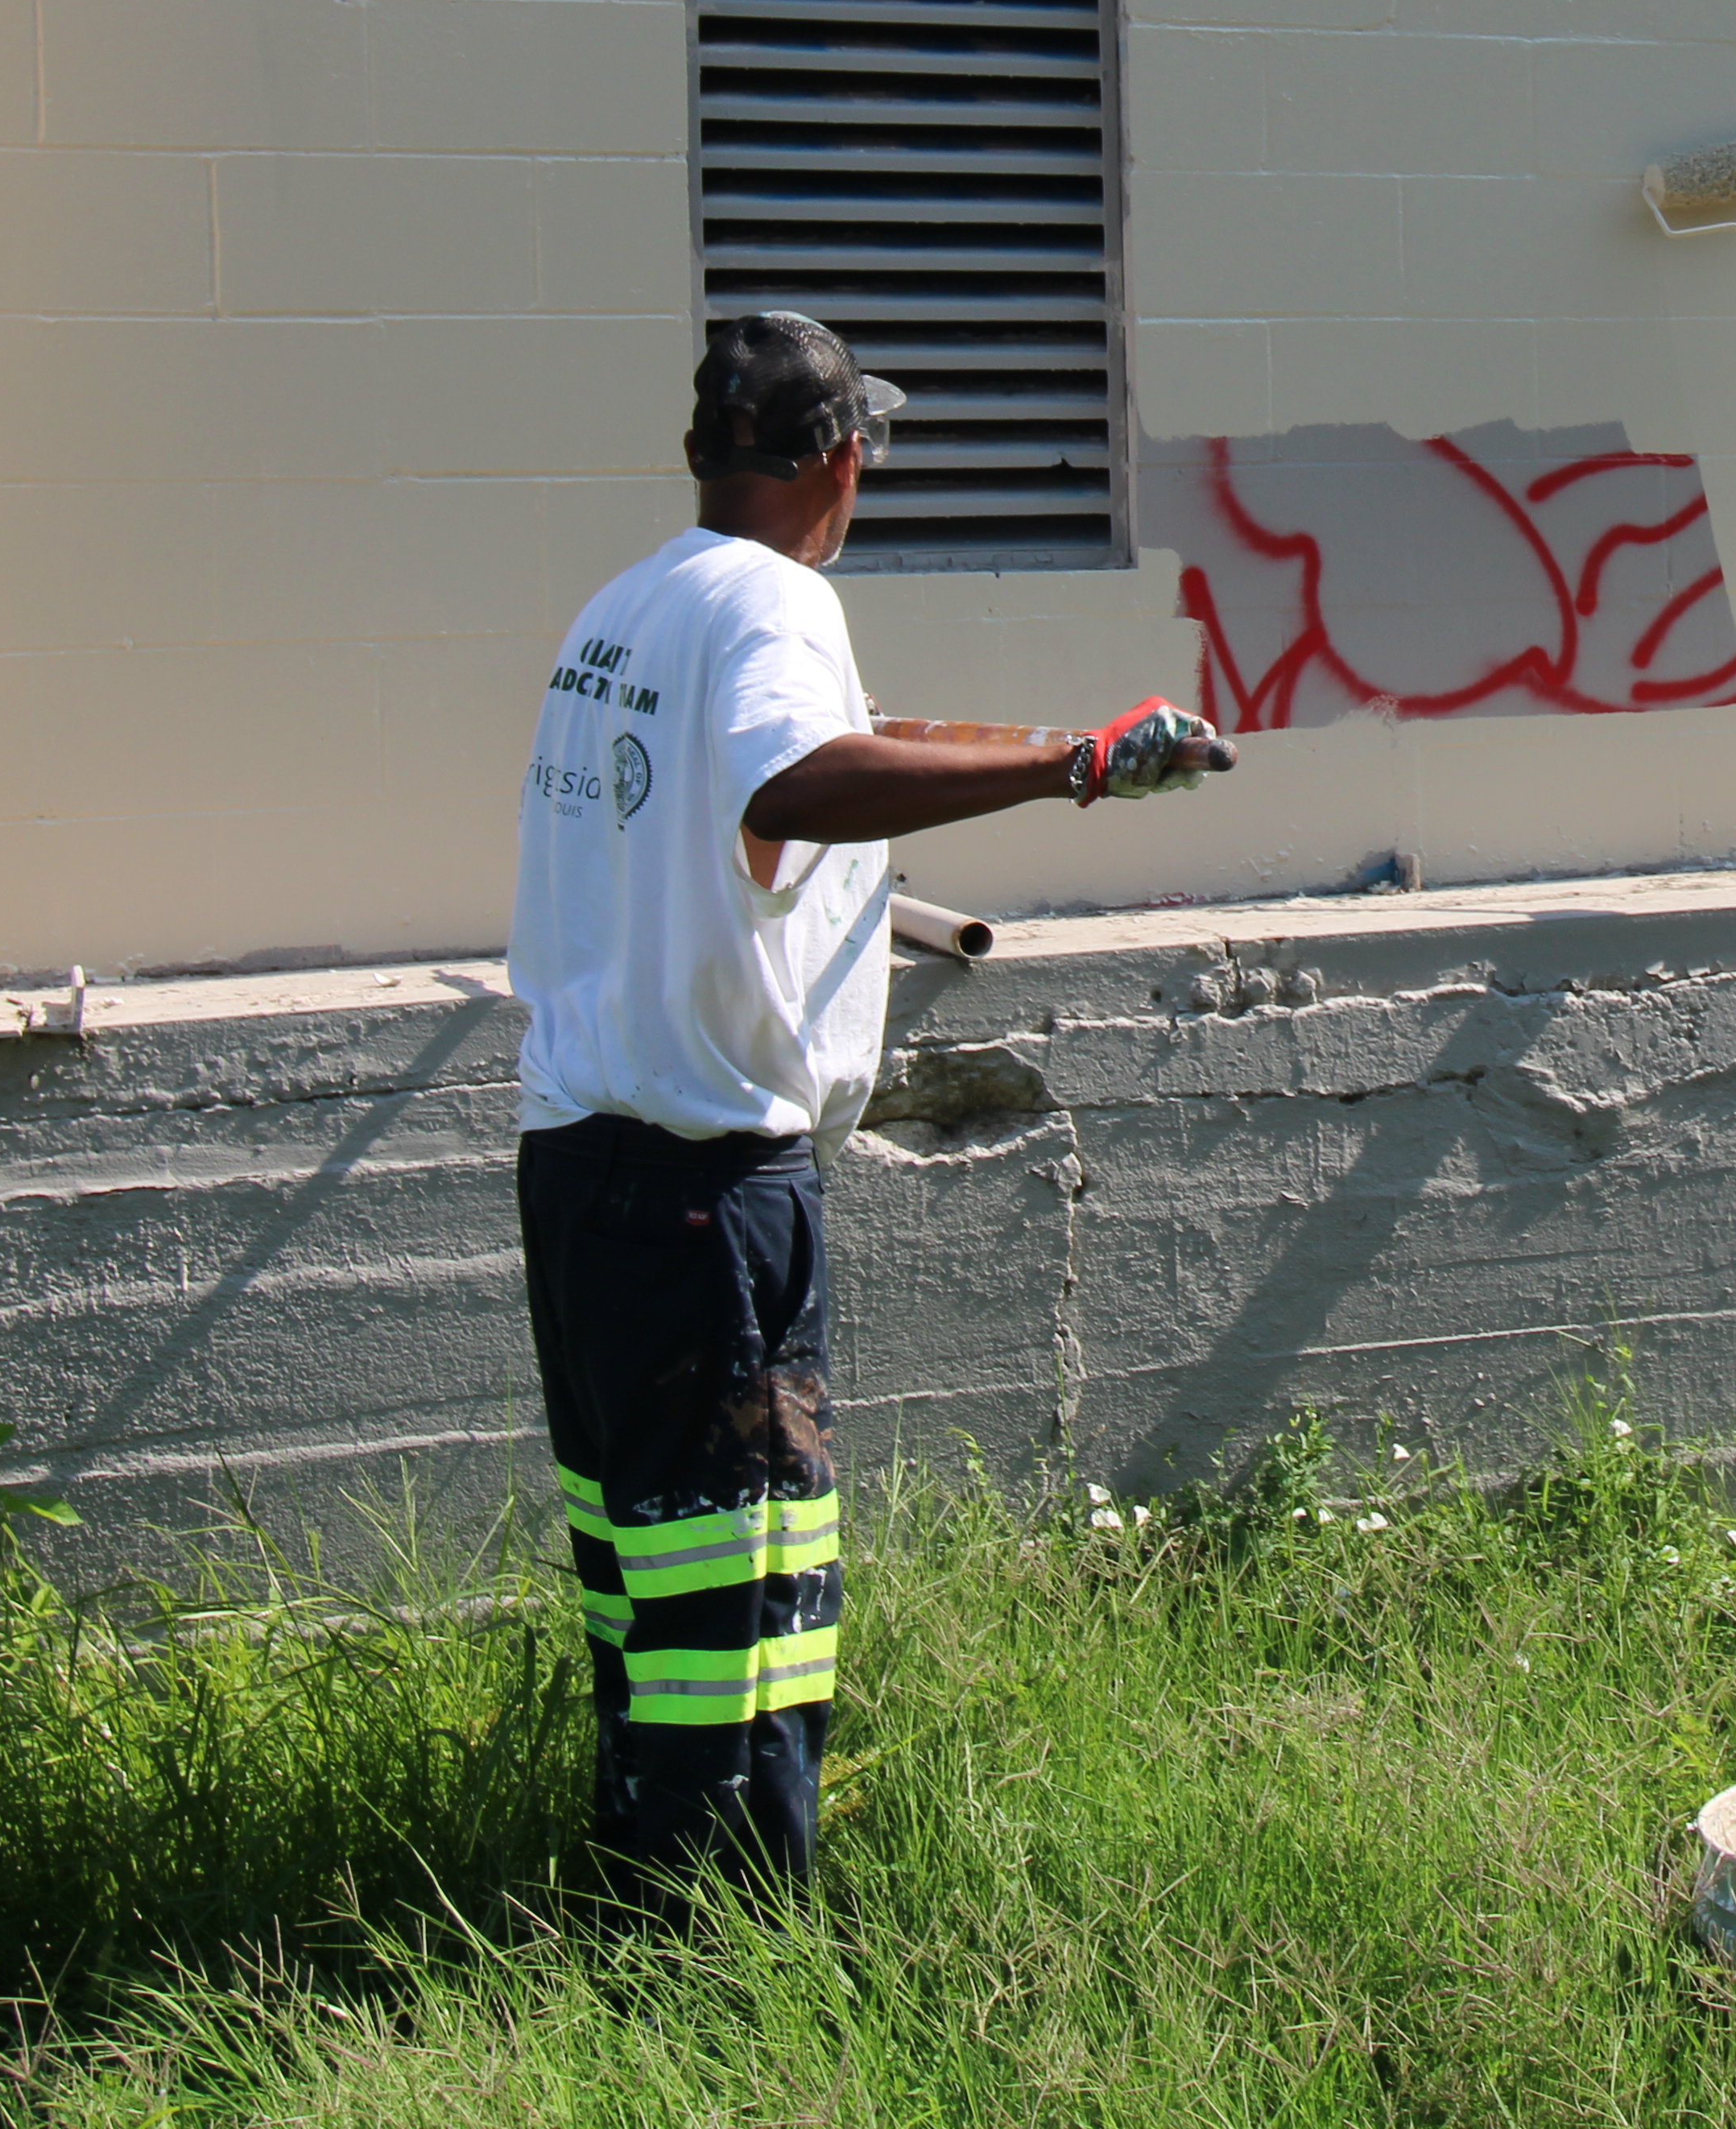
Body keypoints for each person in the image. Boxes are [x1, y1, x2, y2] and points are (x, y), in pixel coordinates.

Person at [511, 311, 1222, 1900]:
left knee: (648, 1583)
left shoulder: (630, 608)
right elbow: (793, 781)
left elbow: (838, 746)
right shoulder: (780, 603)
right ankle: (732, 1950)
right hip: (706, 1189)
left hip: (582, 1168)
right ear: (843, 457)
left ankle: (635, 1896)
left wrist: (1076, 747)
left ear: (700, 452)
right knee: (748, 1598)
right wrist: (1066, 773)